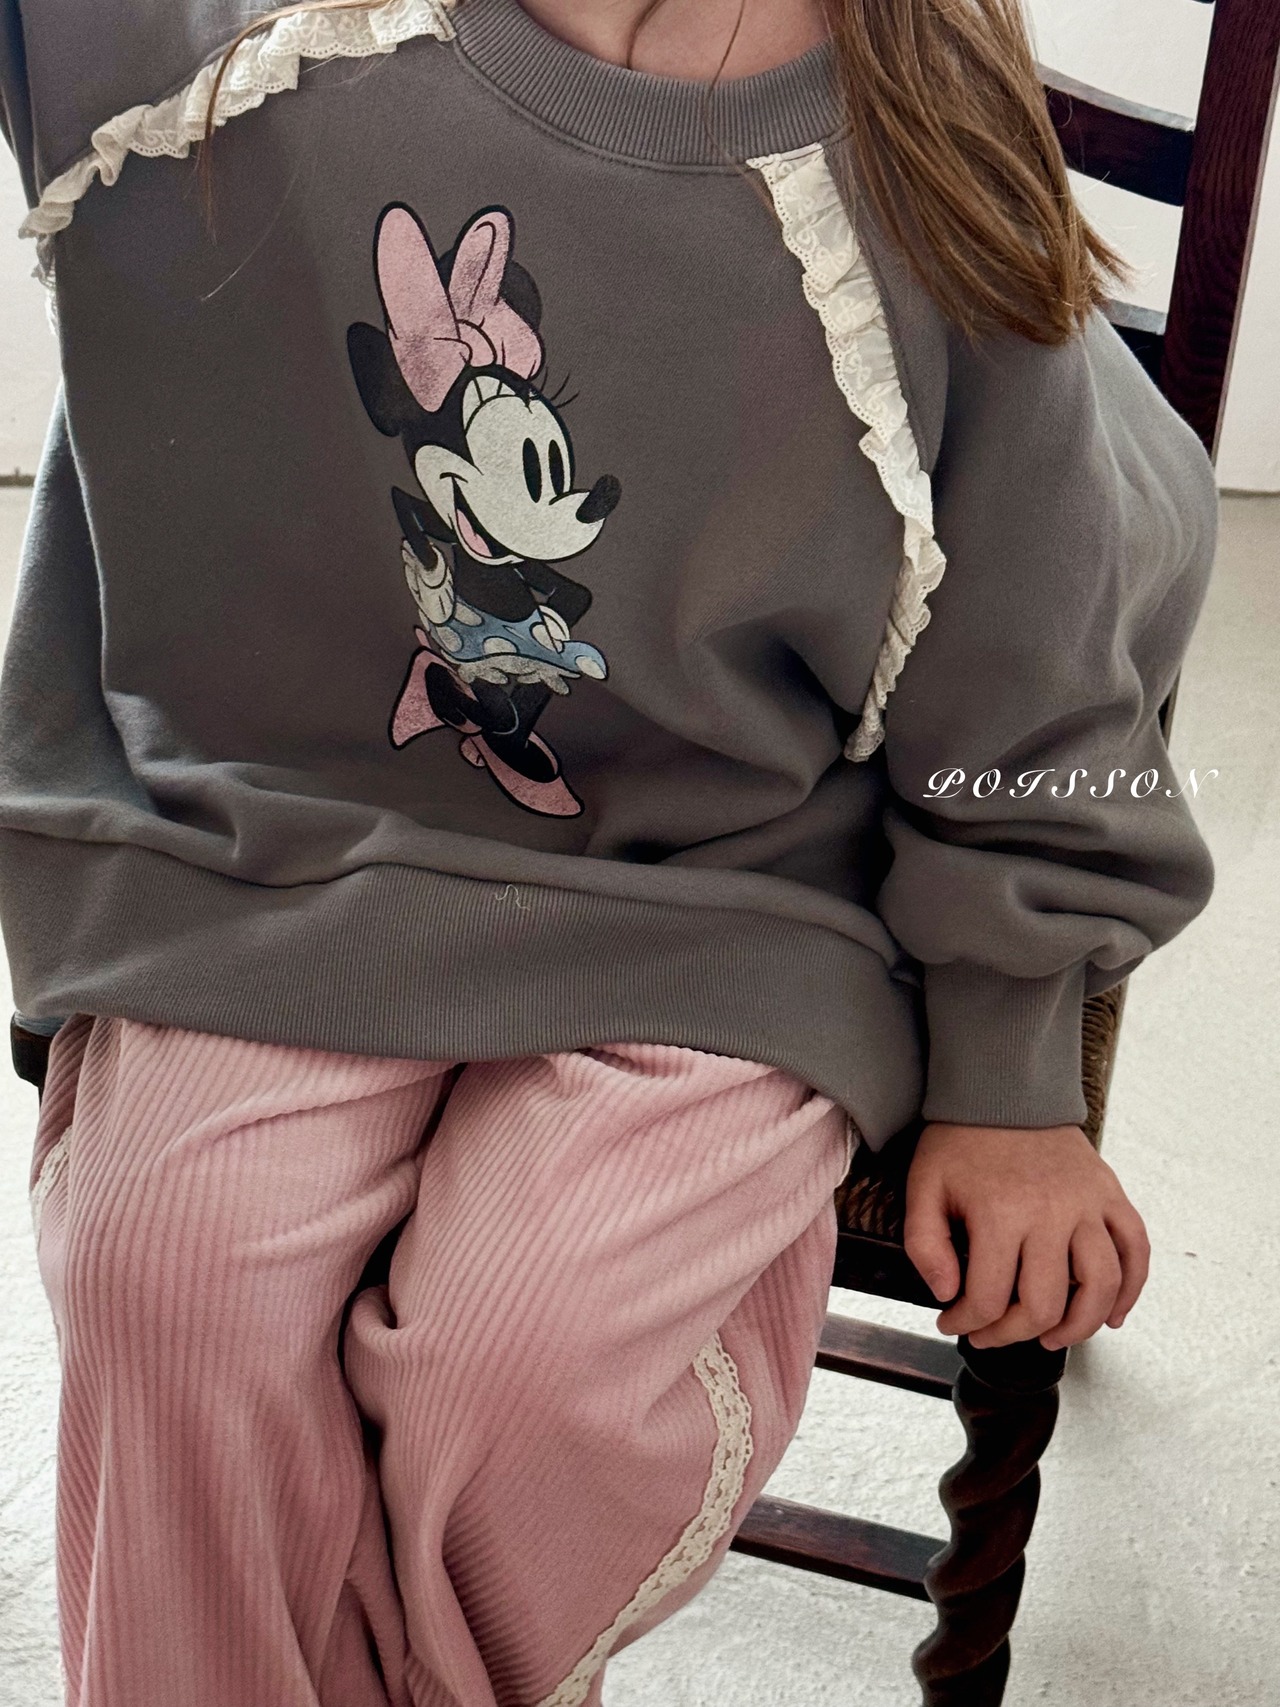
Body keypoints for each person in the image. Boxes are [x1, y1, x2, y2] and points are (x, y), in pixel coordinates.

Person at [0, 1, 1217, 1702]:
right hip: (276, 828)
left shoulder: (924, 131)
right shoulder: (260, 42)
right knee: (166, 1269)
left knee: (524, 1358)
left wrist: (1011, 1080)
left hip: (754, 882)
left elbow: (1030, 658)